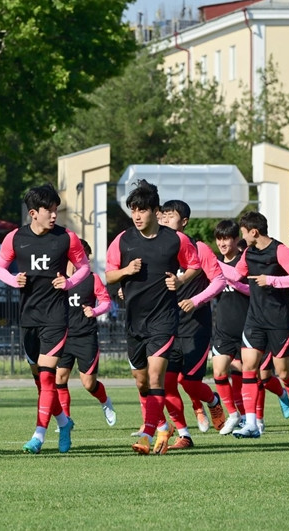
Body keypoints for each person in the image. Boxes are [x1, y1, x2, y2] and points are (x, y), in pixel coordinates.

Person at [106, 180, 201, 454]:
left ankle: (147, 434)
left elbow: (195, 265)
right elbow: (109, 274)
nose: (136, 216)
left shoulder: (175, 240)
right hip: (134, 321)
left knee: (157, 378)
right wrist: (125, 272)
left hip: (164, 319)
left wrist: (180, 281)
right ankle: (162, 426)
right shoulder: (123, 240)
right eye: (133, 210)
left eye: (142, 210)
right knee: (142, 381)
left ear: (155, 211)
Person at [0, 184, 90, 454]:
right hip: (29, 316)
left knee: (48, 378)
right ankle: (64, 421)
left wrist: (69, 281)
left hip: (56, 316)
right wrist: (14, 280)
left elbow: (84, 267)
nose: (54, 215)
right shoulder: (15, 238)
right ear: (33, 213)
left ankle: (38, 435)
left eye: (56, 210)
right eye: (49, 210)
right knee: (41, 380)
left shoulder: (67, 238)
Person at [153, 200, 227, 451]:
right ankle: (184, 435)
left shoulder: (199, 248)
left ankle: (213, 400)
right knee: (166, 384)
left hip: (195, 324)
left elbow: (219, 280)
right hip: (166, 324)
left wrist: (195, 301)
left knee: (189, 382)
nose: (163, 220)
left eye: (169, 216)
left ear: (183, 221)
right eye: (161, 216)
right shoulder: (157, 250)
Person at [231, 211, 289, 439]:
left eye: (243, 232)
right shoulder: (248, 253)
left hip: (279, 321)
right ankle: (252, 423)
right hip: (254, 320)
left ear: (253, 232)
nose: (241, 237)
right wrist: (211, 266)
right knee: (249, 367)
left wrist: (272, 280)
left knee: (283, 372)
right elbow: (236, 275)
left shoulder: (280, 250)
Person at [56, 239, 116, 427]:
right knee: (59, 378)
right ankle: (65, 421)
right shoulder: (59, 280)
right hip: (63, 336)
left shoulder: (92, 279)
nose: (83, 261)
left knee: (89, 383)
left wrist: (95, 311)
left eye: (86, 257)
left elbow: (106, 302)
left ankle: (105, 402)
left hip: (85, 336)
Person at [211, 219, 251, 435]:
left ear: (237, 239)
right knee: (219, 371)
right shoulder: (215, 264)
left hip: (247, 326)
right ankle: (234, 414)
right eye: (219, 239)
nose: (223, 243)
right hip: (223, 327)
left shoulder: (244, 262)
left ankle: (254, 418)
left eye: (227, 238)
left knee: (253, 376)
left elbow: (253, 290)